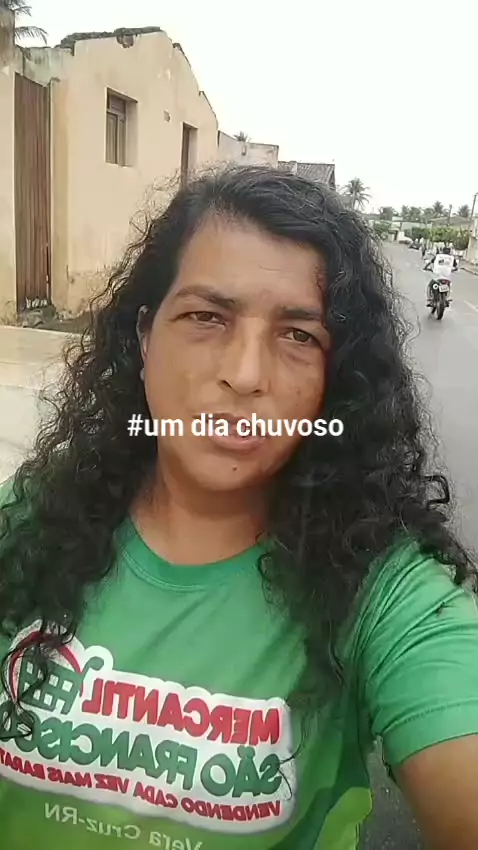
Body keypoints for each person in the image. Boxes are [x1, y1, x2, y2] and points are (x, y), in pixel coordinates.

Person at [1, 166, 478, 850]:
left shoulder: (380, 590)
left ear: (334, 377)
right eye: (206, 317)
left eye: (298, 336)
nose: (246, 374)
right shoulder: (30, 521)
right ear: (145, 337)